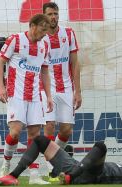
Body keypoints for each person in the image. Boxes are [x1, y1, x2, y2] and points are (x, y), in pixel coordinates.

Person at [0, 135, 122, 186]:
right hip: (76, 168)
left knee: (101, 146)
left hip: (91, 174)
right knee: (41, 140)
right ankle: (13, 176)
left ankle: (68, 178)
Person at [0, 14, 53, 184]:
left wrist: (48, 96)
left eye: (47, 31)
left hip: (35, 94)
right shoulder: (15, 39)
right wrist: (0, 87)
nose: (44, 34)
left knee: (35, 135)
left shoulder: (44, 45)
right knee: (15, 131)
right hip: (16, 93)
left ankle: (34, 176)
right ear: (32, 25)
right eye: (43, 29)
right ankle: (6, 164)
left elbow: (44, 72)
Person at [41, 2, 82, 156]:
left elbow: (75, 64)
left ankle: (55, 156)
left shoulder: (69, 33)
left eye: (55, 14)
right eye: (50, 14)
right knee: (50, 125)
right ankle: (51, 165)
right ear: (44, 16)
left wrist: (78, 91)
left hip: (66, 88)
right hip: (47, 88)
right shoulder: (40, 37)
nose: (53, 17)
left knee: (66, 130)